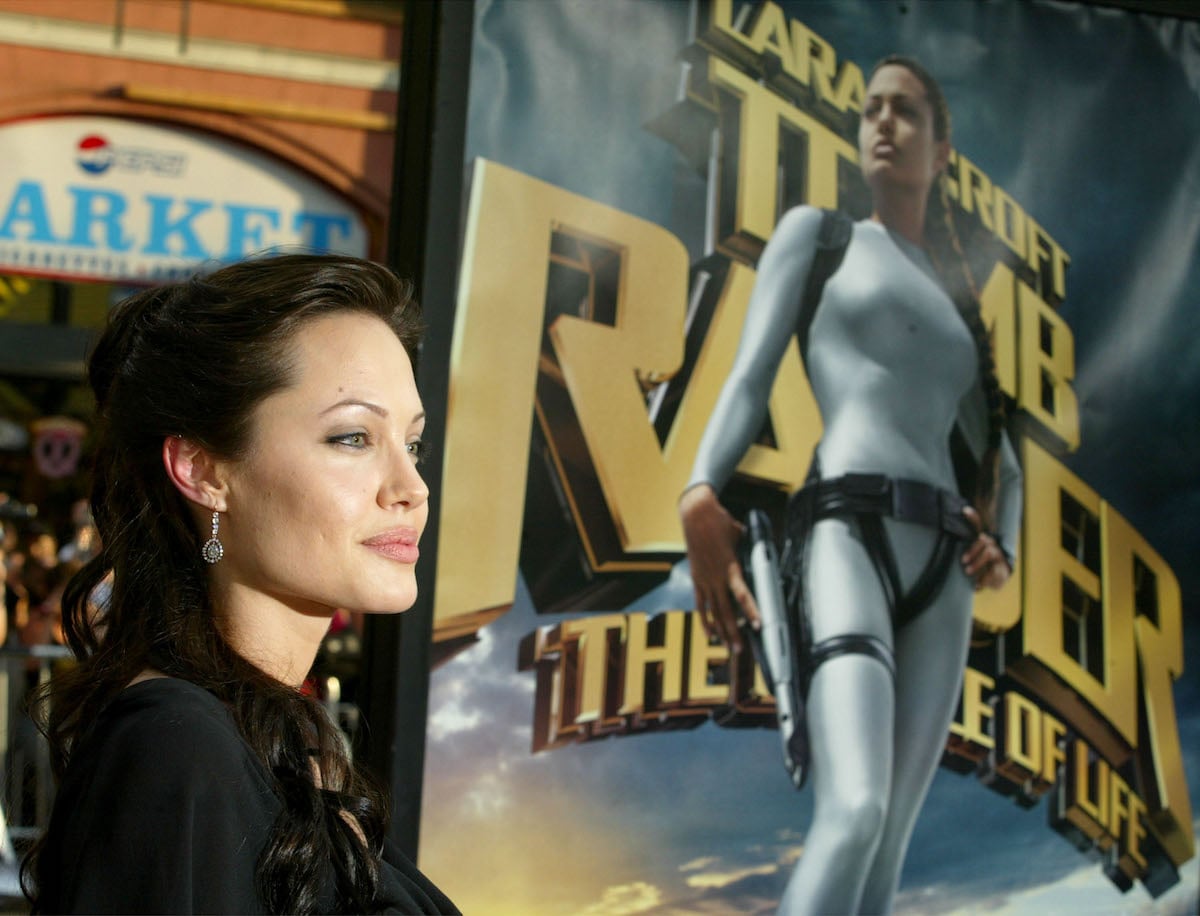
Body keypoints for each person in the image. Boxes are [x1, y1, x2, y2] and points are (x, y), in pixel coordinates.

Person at [679, 57, 1021, 915]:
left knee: (890, 841)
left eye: (904, 111)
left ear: (941, 151)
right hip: (844, 531)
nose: (883, 123)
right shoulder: (821, 236)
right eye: (871, 109)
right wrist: (700, 488)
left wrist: (1002, 543)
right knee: (855, 809)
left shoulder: (958, 303)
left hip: (944, 566)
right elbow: (751, 374)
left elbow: (1005, 462)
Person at [20, 254, 458, 915]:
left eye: (413, 443)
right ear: (203, 470)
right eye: (352, 437)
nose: (411, 488)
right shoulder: (176, 747)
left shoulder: (275, 745)